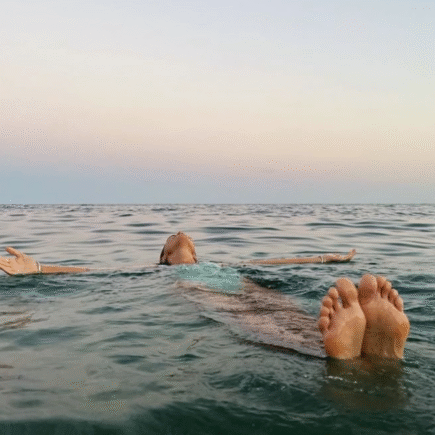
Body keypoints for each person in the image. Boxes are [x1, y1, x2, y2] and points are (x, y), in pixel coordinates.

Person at [0, 232, 409, 360]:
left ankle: (358, 351)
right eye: (172, 239)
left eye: (188, 240)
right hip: (207, 294)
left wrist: (327, 258)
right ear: (164, 256)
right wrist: (39, 268)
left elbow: (275, 261)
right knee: (256, 319)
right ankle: (355, 357)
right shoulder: (156, 271)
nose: (181, 235)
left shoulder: (221, 264)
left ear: (196, 254)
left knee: (282, 311)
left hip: (244, 286)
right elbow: (96, 272)